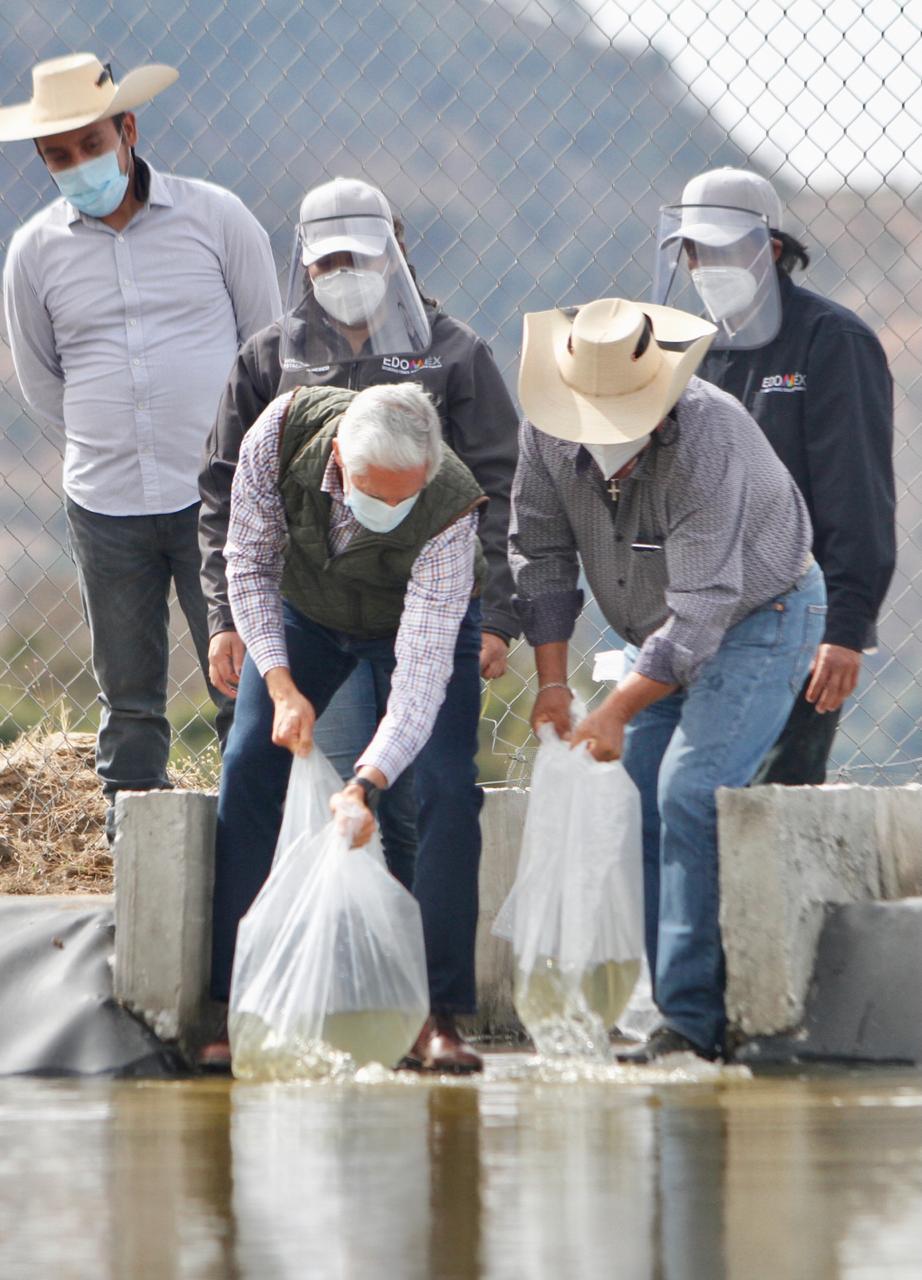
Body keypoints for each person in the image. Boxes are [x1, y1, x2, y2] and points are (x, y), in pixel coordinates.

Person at [509, 297, 826, 1062]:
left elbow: (705, 610)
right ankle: (670, 1009)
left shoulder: (708, 437)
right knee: (637, 798)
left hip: (761, 616)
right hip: (662, 637)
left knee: (688, 789)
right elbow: (541, 555)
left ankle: (691, 1023)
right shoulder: (547, 431)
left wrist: (616, 707)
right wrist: (554, 683)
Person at [199, 175, 519, 889]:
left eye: (360, 259)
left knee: (411, 795)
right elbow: (227, 492)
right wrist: (226, 617)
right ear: (304, 264)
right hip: (315, 608)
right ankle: (306, 960)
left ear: (395, 254)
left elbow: (499, 488)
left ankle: (408, 964)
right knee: (333, 776)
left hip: (426, 611)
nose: (342, 276)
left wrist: (497, 614)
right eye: (326, 262)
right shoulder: (268, 359)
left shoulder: (455, 353)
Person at [1, 53, 282, 835]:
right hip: (106, 503)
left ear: (127, 129)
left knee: (244, 686)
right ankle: (135, 869)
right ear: (42, 160)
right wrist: (108, 438)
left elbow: (267, 351)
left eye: (89, 145)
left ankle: (250, 859)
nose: (77, 165)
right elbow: (41, 380)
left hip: (219, 501)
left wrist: (235, 463)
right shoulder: (32, 253)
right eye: (58, 156)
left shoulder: (217, 218)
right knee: (127, 705)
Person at [203, 381, 488, 1074]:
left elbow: (420, 681)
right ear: (337, 456)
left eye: (405, 497)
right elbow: (249, 565)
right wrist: (280, 684)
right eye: (372, 492)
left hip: (412, 628)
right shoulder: (279, 436)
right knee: (247, 764)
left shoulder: (452, 505)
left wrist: (366, 780)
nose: (388, 510)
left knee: (446, 790)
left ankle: (437, 1014)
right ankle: (232, 1003)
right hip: (308, 612)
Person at [654, 167, 896, 783]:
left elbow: (858, 496)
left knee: (771, 805)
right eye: (693, 251)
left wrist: (843, 629)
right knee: (682, 799)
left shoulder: (832, 341)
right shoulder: (693, 351)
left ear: (773, 250)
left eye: (722, 250)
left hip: (800, 621)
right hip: (698, 619)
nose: (705, 266)